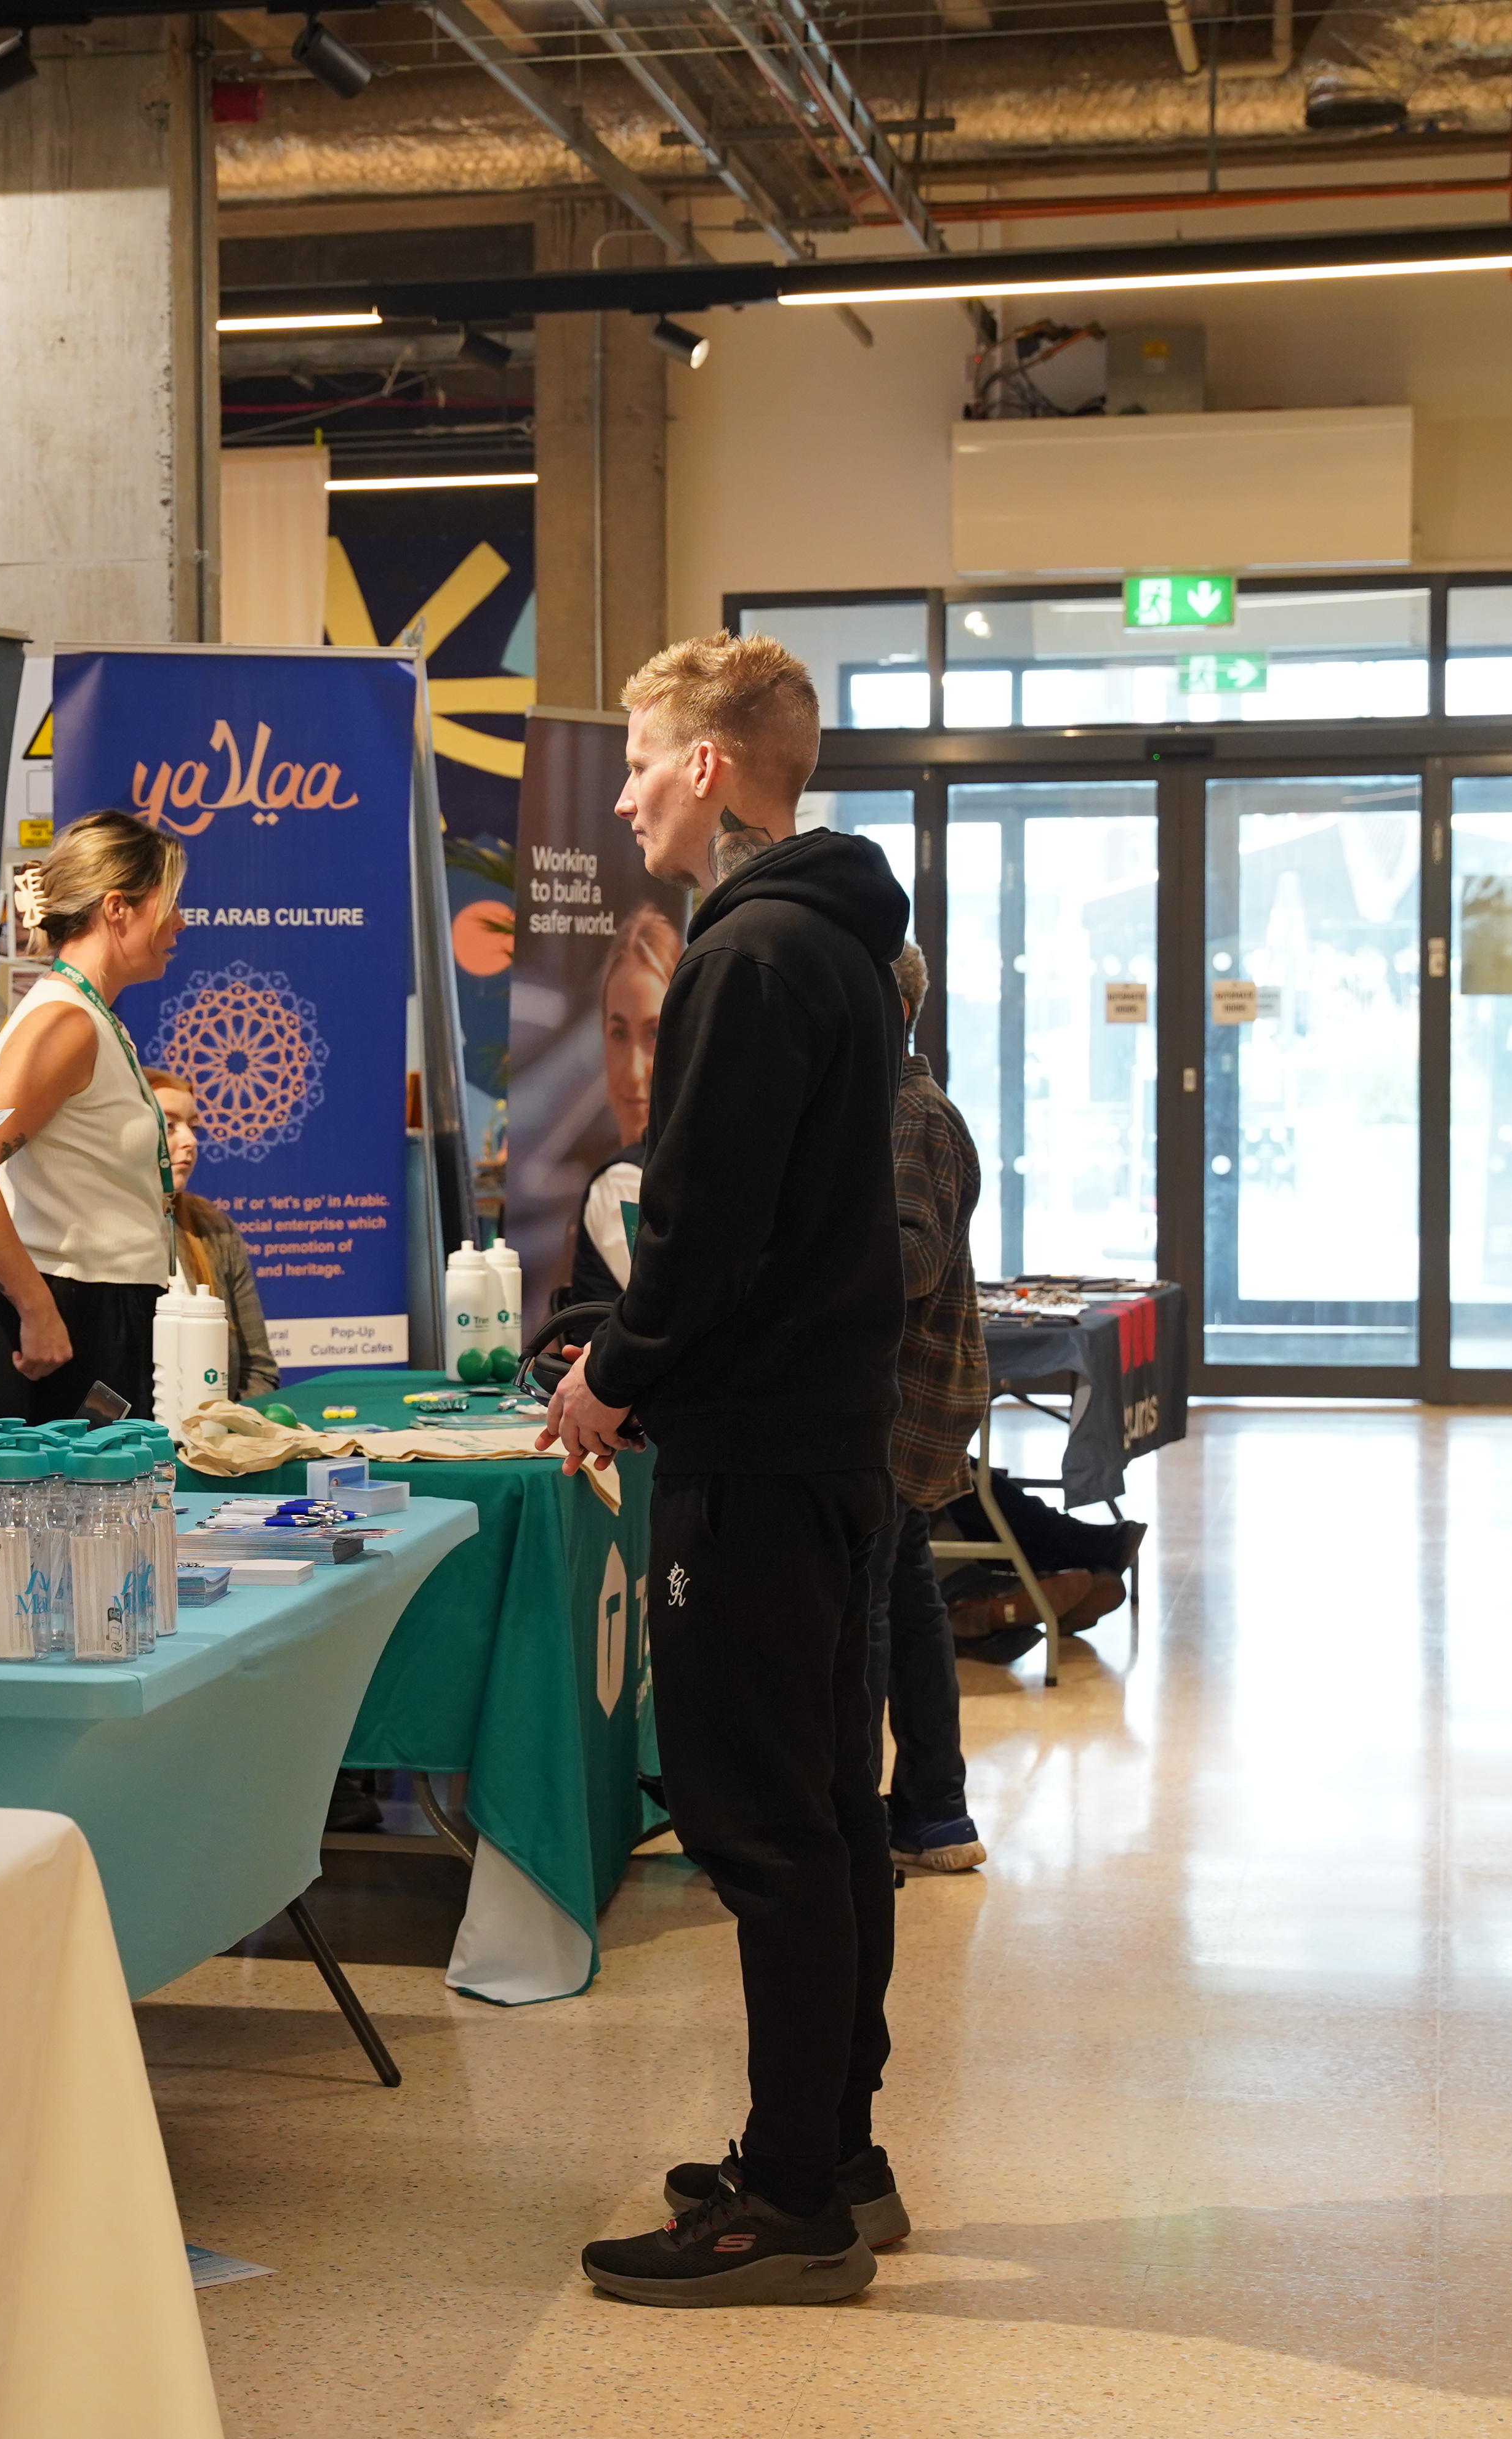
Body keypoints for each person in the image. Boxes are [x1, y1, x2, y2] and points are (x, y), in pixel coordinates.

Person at [540, 632, 914, 2308]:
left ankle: (789, 2200)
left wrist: (614, 1373)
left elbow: (703, 1225)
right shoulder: (837, 939)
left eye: (639, 764)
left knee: (763, 1828)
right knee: (827, 1811)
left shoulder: (748, 952)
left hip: (754, 1454)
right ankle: (830, 2151)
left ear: (707, 765)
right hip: (823, 1442)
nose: (623, 799)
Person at [0, 811, 187, 1421]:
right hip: (72, 1324)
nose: (180, 922)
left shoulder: (86, 1016)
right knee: (87, 1489)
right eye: (170, 903)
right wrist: (37, 1307)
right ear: (117, 909)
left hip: (100, 1312)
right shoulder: (66, 1022)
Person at [872, 939, 992, 1878]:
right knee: (907, 1602)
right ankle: (934, 1812)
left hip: (902, 1396)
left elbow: (909, 1263)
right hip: (905, 1391)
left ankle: (859, 1821)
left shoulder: (912, 1118)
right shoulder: (892, 1111)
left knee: (869, 1609)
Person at [560, 907, 681, 1312]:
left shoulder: (629, 1183)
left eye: (655, 1033)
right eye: (618, 1033)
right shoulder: (616, 1184)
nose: (632, 1071)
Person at [150, 1069, 279, 1400]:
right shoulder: (95, 1239)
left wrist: (226, 1427)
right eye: (170, 1126)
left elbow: (258, 1371)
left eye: (193, 1127)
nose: (190, 1141)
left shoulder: (214, 1227)